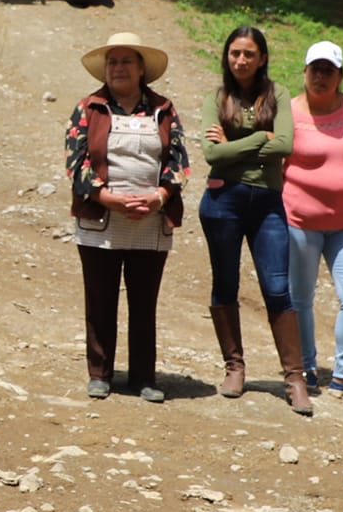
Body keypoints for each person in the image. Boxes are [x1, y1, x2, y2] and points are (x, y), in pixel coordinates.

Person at [65, 32, 189, 402]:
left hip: (151, 220)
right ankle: (100, 372)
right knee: (100, 300)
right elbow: (76, 162)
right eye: (112, 62)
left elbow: (178, 161)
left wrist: (160, 196)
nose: (118, 68)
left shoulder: (164, 109)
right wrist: (108, 199)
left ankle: (144, 377)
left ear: (141, 69)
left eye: (126, 62)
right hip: (101, 220)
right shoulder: (89, 108)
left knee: (144, 302)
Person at [198, 26, 310, 413]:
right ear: (226, 56)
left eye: (249, 53)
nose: (241, 60)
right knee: (225, 283)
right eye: (235, 53)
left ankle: (295, 379)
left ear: (262, 57)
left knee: (277, 287)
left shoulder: (276, 94)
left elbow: (286, 144)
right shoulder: (217, 97)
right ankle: (235, 367)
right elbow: (211, 156)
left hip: (267, 203)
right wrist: (258, 140)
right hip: (221, 202)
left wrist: (232, 146)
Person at [284, 39, 343, 399]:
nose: (320, 77)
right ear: (304, 72)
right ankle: (306, 366)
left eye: (328, 71)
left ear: (340, 76)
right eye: (315, 69)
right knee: (300, 298)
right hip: (299, 220)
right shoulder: (289, 111)